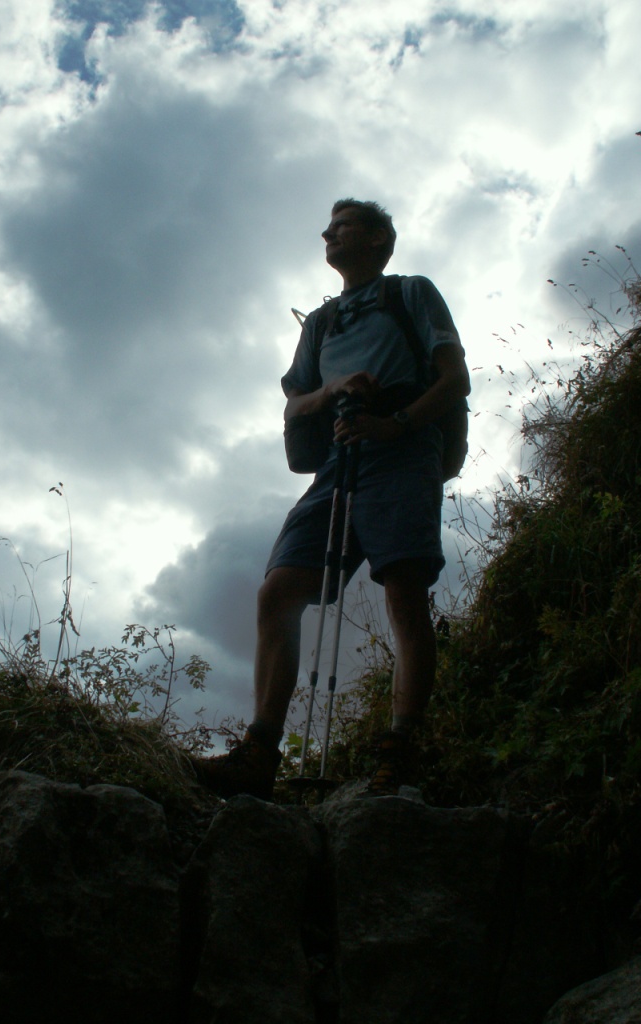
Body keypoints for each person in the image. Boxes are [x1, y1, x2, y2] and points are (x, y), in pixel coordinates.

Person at [190, 198, 471, 800]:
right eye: (329, 226)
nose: (328, 233)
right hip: (340, 457)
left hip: (403, 451)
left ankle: (399, 752)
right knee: (278, 590)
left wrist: (397, 424)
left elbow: (455, 378)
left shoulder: (411, 293)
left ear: (377, 239)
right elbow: (296, 402)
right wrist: (334, 389)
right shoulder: (320, 323)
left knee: (404, 593)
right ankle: (260, 753)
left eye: (342, 225)